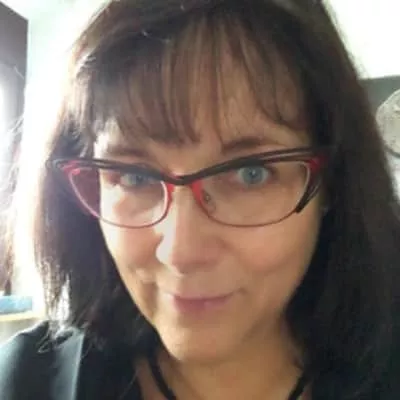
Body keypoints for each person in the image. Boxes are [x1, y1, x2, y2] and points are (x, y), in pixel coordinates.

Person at [1, 0, 400, 399]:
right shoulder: (25, 382)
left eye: (250, 173)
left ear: (331, 183)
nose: (181, 252)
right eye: (136, 177)